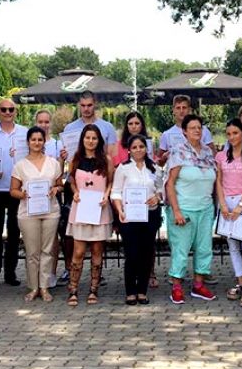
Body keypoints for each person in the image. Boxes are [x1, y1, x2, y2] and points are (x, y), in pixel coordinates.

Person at [60, 91, 119, 288]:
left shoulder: (107, 127)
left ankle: (95, 281)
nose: (86, 109)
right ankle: (70, 273)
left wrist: (107, 194)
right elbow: (70, 168)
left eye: (89, 105)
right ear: (79, 105)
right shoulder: (70, 128)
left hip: (100, 186)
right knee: (74, 239)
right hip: (79, 188)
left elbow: (112, 158)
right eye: (83, 105)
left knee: (97, 246)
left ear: (95, 104)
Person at [165, 114, 218, 304]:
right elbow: (170, 183)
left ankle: (198, 285)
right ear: (184, 131)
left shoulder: (208, 152)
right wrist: (176, 211)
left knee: (204, 248)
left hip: (205, 208)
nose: (197, 130)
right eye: (192, 128)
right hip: (184, 208)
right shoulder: (178, 152)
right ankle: (177, 287)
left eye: (199, 127)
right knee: (181, 249)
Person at [11, 126, 63, 303]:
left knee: (47, 250)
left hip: (50, 211)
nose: (36, 142)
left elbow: (60, 184)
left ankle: (45, 286)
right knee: (32, 251)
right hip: (28, 212)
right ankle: (33, 287)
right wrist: (23, 194)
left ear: (44, 142)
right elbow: (13, 190)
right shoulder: (20, 165)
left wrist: (56, 189)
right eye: (33, 139)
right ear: (28, 142)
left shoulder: (53, 163)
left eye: (40, 139)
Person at [111, 134, 163, 305]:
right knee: (132, 254)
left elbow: (161, 189)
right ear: (129, 150)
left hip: (150, 215)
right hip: (129, 216)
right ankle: (130, 291)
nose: (138, 150)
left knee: (146, 254)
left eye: (141, 146)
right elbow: (116, 192)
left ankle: (142, 290)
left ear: (146, 148)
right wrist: (120, 210)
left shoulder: (154, 168)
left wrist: (157, 197)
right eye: (134, 147)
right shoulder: (123, 168)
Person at [65, 124, 113, 306]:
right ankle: (73, 289)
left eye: (94, 138)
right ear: (82, 139)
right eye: (87, 138)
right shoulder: (75, 159)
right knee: (78, 251)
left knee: (97, 251)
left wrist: (106, 195)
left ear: (99, 140)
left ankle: (94, 289)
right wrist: (75, 191)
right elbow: (71, 180)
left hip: (99, 210)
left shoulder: (106, 160)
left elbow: (111, 181)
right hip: (81, 209)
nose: (91, 141)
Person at [0, 98, 28, 289]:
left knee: (14, 232)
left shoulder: (24, 132)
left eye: (11, 109)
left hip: (16, 189)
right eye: (4, 109)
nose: (8, 112)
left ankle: (10, 272)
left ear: (15, 112)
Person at [214, 119, 242, 307]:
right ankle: (240, 282)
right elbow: (218, 181)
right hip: (226, 203)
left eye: (235, 133)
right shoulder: (221, 156)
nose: (232, 137)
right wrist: (223, 204)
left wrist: (241, 204)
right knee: (233, 247)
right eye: (228, 134)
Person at [34, 109, 67, 289]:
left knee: (52, 237)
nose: (44, 125)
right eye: (40, 122)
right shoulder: (31, 142)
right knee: (35, 237)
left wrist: (62, 159)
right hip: (34, 196)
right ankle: (37, 273)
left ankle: (51, 273)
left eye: (47, 122)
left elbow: (59, 174)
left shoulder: (57, 144)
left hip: (52, 194)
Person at [156, 94, 215, 164]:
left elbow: (213, 155)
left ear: (189, 109)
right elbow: (159, 162)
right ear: (173, 110)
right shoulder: (166, 134)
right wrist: (164, 158)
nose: (181, 111)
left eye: (184, 107)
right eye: (178, 108)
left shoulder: (203, 130)